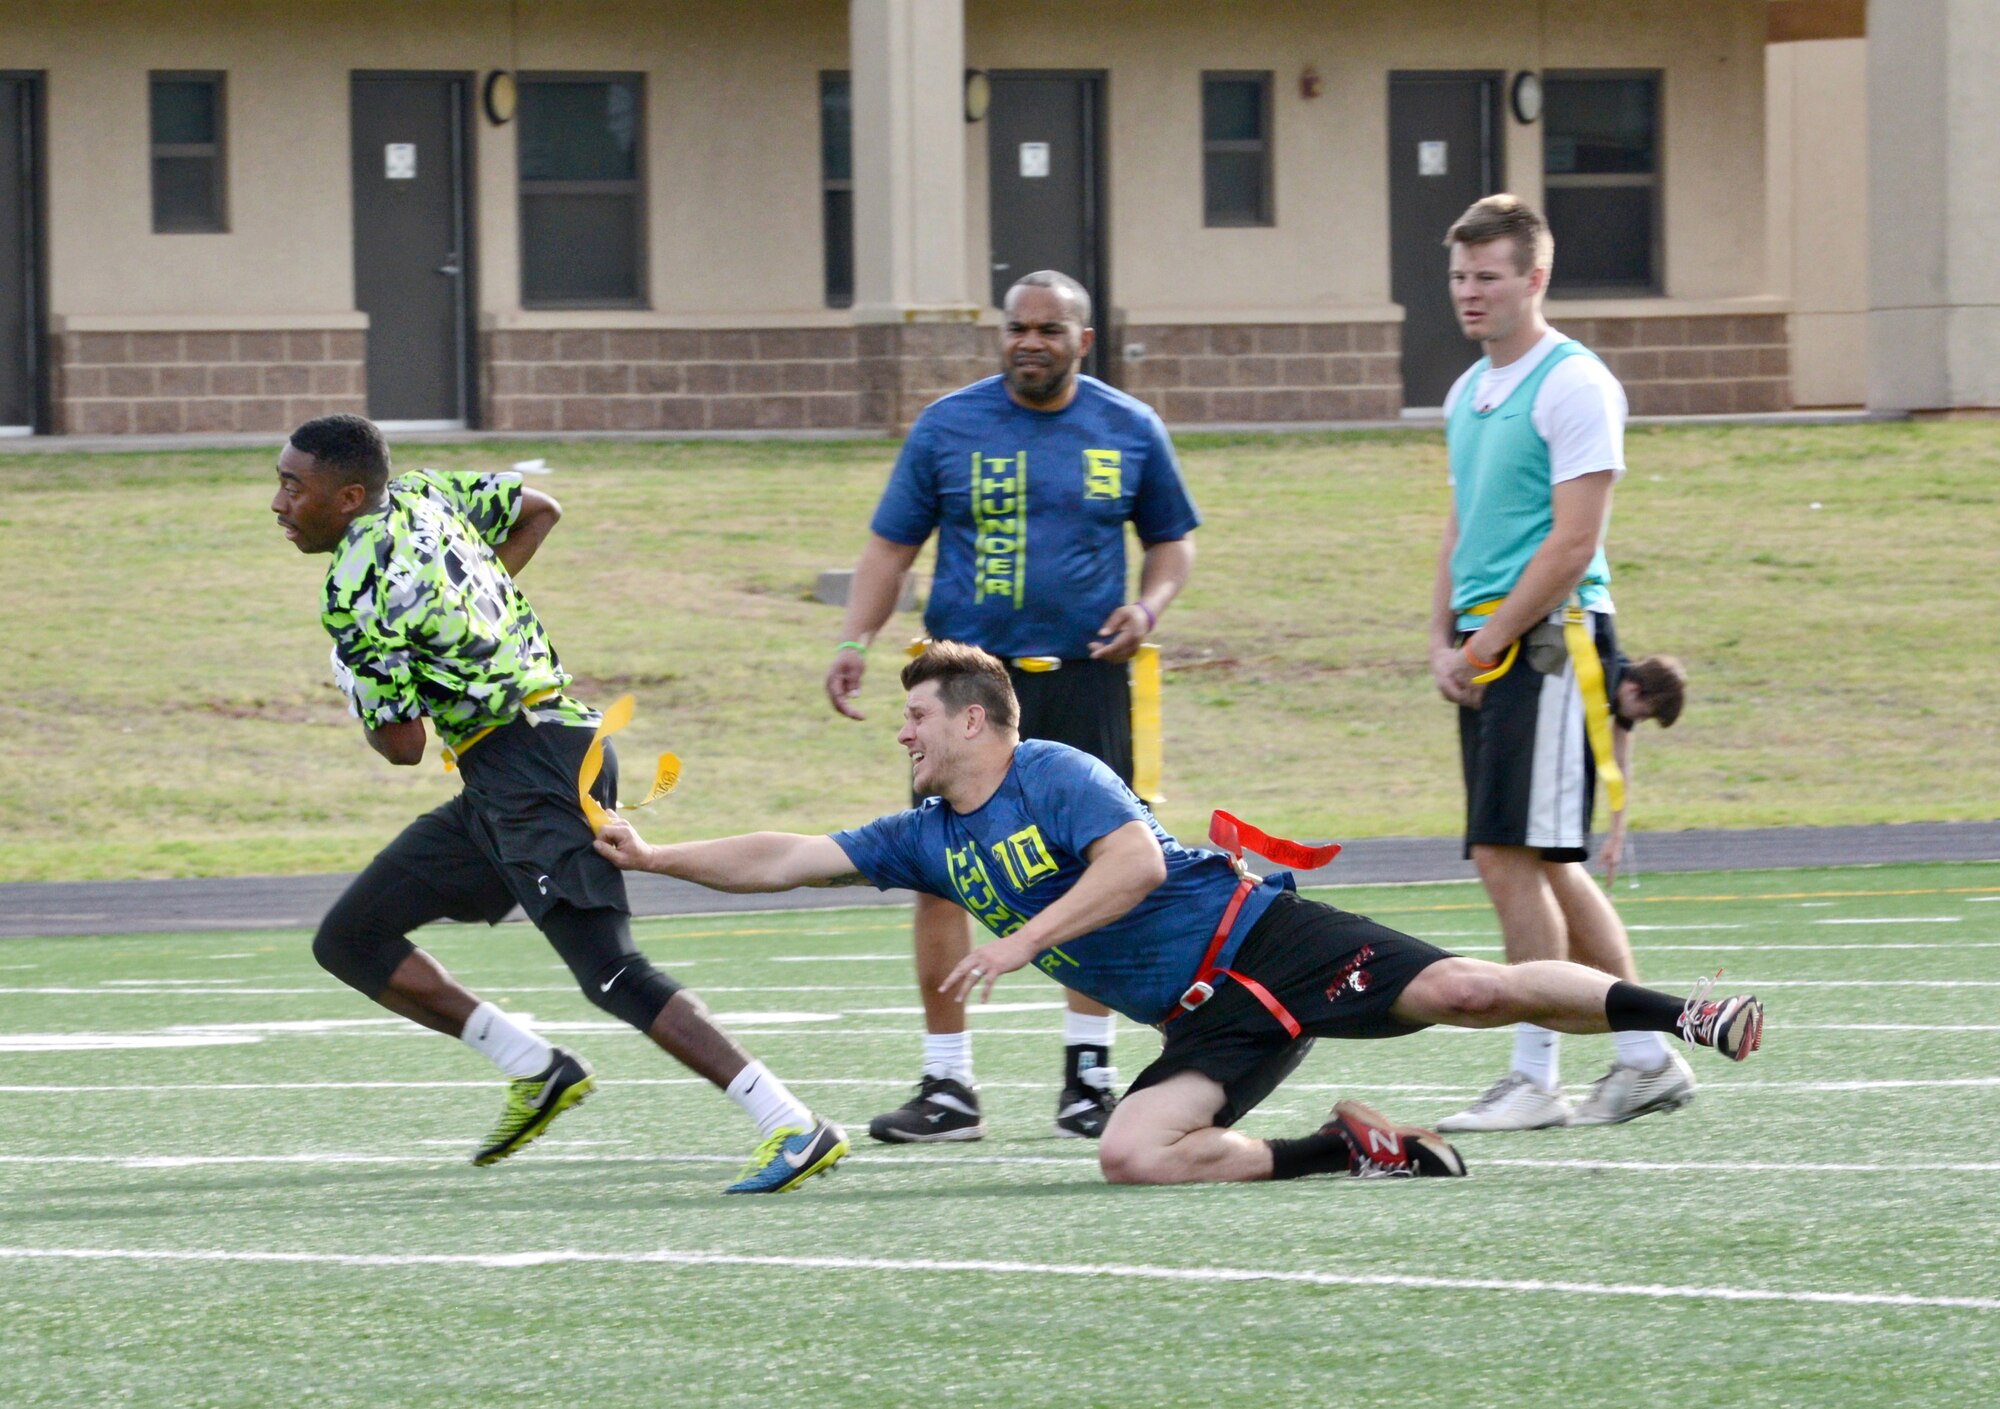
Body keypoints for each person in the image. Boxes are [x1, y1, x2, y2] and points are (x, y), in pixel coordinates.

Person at [596, 642, 1765, 1187]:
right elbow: (785, 856)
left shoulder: (1054, 769)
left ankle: (1683, 1014)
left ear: (974, 720)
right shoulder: (926, 833)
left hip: (1262, 940)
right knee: (1130, 1153)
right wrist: (657, 857)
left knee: (1468, 990)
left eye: (917, 715)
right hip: (1211, 1019)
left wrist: (1022, 938)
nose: (901, 731)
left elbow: (1134, 868)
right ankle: (1348, 1150)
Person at [271, 413, 846, 1193]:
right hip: (527, 758)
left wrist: (358, 682)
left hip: (530, 770)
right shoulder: (425, 492)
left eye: (292, 486)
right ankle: (536, 1068)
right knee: (350, 937)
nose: (278, 503)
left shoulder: (351, 587)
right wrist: (474, 617)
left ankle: (793, 1123)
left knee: (611, 971)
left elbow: (403, 746)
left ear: (346, 497)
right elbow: (540, 509)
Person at [822, 270, 1200, 1144]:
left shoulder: (1129, 425)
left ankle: (1088, 1077)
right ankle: (947, 1084)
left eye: (1049, 329)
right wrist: (854, 642)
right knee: (937, 869)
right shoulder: (947, 425)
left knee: (1100, 866)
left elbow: (1171, 541)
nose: (1030, 341)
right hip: (968, 688)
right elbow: (890, 546)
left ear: (1083, 340)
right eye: (1017, 327)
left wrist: (1148, 609)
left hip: (1085, 674)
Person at [1427, 194, 1692, 1131]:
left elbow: (1574, 543)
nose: (1469, 292)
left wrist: (1486, 641)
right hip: (1496, 647)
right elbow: (1463, 526)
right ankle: (1645, 1056)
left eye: (1488, 276)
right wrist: (1441, 638)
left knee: (1511, 854)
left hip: (1549, 644)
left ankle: (1535, 1074)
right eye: (1460, 276)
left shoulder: (1574, 382)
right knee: (1544, 859)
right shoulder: (1468, 391)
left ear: (1534, 277)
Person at [1604, 654, 1688, 885]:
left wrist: (1616, 837)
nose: (1639, 720)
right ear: (1634, 690)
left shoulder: (1622, 690)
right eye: (1643, 714)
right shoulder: (1600, 675)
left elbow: (1621, 766)